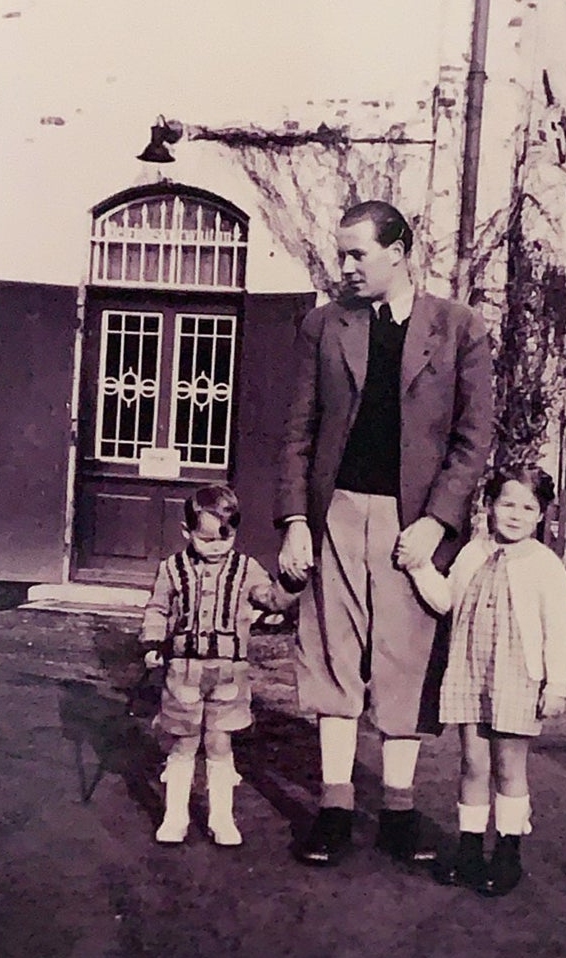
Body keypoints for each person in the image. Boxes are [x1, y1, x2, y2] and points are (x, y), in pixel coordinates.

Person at [276, 200, 493, 867]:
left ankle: (398, 813)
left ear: (399, 252)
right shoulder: (323, 326)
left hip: (415, 526)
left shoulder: (459, 329)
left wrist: (436, 522)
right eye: (341, 254)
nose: (345, 267)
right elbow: (298, 433)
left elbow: (472, 438)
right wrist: (292, 523)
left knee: (404, 663)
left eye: (357, 254)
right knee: (334, 658)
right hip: (336, 512)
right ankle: (335, 809)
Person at [407, 466, 566, 896]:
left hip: (517, 676)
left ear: (541, 515)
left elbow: (559, 631)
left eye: (527, 507)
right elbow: (447, 600)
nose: (515, 515)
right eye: (507, 504)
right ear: (488, 506)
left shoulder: (545, 566)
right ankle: (468, 851)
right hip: (470, 670)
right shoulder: (471, 553)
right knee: (473, 764)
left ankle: (507, 853)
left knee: (508, 767)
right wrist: (419, 567)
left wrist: (556, 685)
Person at [140, 485, 302, 846]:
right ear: (186, 532)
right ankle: (175, 816)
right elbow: (157, 609)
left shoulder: (247, 569)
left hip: (229, 674)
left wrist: (293, 582)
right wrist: (152, 642)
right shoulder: (172, 569)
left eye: (224, 539)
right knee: (182, 743)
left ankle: (221, 818)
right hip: (183, 671)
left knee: (219, 742)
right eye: (206, 539)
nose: (215, 547)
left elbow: (272, 600)